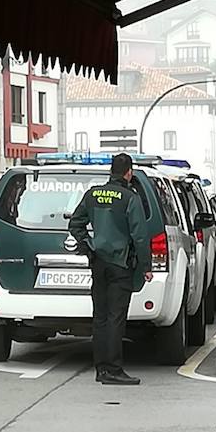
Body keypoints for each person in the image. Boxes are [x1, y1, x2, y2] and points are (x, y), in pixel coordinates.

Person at [69, 153, 152, 386]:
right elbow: (140, 235)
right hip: (120, 263)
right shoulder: (129, 198)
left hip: (98, 262)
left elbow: (75, 223)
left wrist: (87, 246)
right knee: (116, 318)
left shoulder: (93, 194)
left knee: (100, 318)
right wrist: (146, 266)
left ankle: (101, 369)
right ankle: (114, 369)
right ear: (129, 173)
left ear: (110, 171)